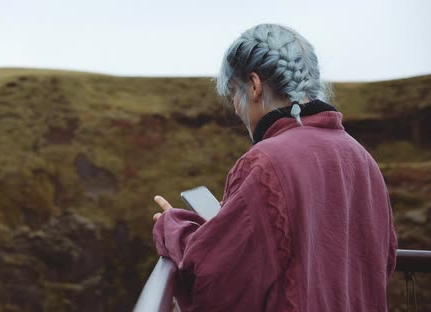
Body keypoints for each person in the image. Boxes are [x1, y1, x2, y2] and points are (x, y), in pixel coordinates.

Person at [151, 23, 397, 311]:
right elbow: (384, 260)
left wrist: (173, 227)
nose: (235, 107)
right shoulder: (362, 158)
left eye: (233, 92)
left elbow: (217, 277)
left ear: (254, 86)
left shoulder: (264, 163)